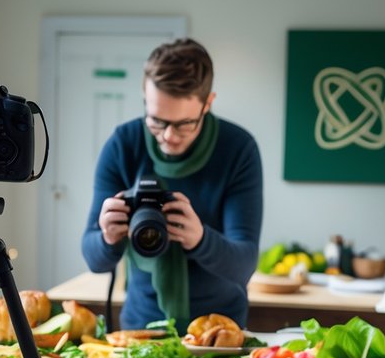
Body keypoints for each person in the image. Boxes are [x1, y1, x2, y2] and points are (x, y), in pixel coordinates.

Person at [81, 38, 263, 329]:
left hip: (217, 331)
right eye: (156, 121)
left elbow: (244, 265)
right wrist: (107, 237)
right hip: (141, 328)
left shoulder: (238, 149)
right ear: (144, 97)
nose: (167, 136)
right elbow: (94, 260)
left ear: (208, 103)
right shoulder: (123, 145)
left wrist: (200, 239)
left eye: (183, 124)